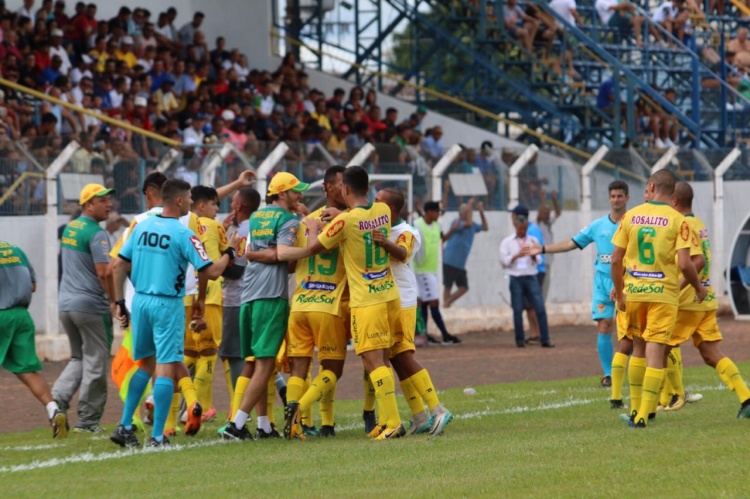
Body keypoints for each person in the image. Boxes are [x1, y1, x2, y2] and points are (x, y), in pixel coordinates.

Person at [110, 179, 234, 448]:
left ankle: (124, 425)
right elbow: (211, 271)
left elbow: (118, 265)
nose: (191, 202)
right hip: (167, 304)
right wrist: (231, 253)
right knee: (166, 368)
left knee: (145, 365)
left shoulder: (141, 227)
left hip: (141, 302)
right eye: (189, 198)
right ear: (178, 201)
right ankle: (157, 437)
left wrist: (119, 302)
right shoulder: (183, 234)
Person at [304, 166, 406, 439]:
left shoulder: (343, 222)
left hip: (366, 301)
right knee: (382, 359)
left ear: (346, 190)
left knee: (374, 363)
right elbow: (362, 216)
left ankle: (394, 422)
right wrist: (345, 214)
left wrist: (313, 227)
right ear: (368, 188)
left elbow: (314, 248)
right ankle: (384, 420)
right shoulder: (383, 211)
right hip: (389, 294)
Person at [610, 170, 706, 428]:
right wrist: (698, 288)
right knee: (656, 352)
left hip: (635, 294)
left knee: (637, 350)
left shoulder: (630, 216)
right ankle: (644, 414)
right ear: (672, 194)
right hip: (662, 295)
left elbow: (616, 259)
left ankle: (635, 410)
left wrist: (619, 292)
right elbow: (686, 264)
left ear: (651, 186)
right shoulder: (678, 220)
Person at [221, 172, 311, 441]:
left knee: (260, 362)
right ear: (282, 193)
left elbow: (252, 253)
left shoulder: (257, 217)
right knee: (265, 363)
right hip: (270, 296)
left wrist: (259, 254)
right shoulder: (287, 220)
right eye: (296, 191)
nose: (300, 196)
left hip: (247, 295)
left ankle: (263, 425)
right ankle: (236, 425)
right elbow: (283, 253)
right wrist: (314, 249)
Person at [661, 182, 750, 418]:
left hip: (688, 300)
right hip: (705, 300)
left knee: (658, 346)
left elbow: (695, 263)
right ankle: (746, 397)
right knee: (710, 354)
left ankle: (668, 399)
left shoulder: (683, 225)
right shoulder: (698, 223)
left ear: (674, 202)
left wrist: (676, 289)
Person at [530, 181, 630, 389]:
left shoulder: (634, 223)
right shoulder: (598, 226)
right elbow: (572, 243)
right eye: (612, 196)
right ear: (608, 198)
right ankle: (609, 374)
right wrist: (543, 249)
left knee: (629, 330)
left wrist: (625, 278)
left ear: (627, 198)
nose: (616, 200)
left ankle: (636, 369)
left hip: (628, 281)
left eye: (620, 196)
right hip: (603, 282)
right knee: (604, 325)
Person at [373, 187, 454, 436]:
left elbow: (402, 254)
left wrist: (385, 242)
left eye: (379, 201)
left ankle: (438, 409)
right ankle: (420, 416)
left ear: (392, 209)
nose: (373, 204)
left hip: (403, 300)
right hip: (384, 299)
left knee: (404, 355)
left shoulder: (407, 232)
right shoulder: (375, 226)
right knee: (396, 360)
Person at [283, 166, 349, 440]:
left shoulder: (305, 222)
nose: (348, 191)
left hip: (300, 304)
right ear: (328, 188)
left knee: (300, 368)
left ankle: (311, 424)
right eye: (343, 185)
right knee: (332, 369)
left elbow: (289, 265)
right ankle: (301, 411)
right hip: (329, 305)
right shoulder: (350, 222)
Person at [52, 183, 116, 433]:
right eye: (102, 200)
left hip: (66, 305)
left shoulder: (71, 227)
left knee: (79, 357)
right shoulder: (97, 233)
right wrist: (114, 301)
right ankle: (88, 422)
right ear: (88, 204)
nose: (109, 204)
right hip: (90, 306)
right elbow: (103, 273)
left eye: (109, 199)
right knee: (96, 362)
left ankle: (56, 401)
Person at [1, 240, 68, 439]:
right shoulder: (16, 250)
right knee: (27, 371)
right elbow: (33, 286)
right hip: (22, 317)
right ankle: (53, 409)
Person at [187, 185, 229, 422]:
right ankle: (201, 408)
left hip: (185, 294)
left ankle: (155, 397)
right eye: (215, 204)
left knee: (188, 352)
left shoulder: (183, 224)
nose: (217, 209)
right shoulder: (214, 225)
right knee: (209, 352)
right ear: (202, 206)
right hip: (210, 294)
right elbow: (226, 254)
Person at [220, 186, 261, 419]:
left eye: (233, 202)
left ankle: (239, 409)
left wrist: (216, 262)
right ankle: (282, 390)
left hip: (237, 299)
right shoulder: (255, 227)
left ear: (238, 206)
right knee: (257, 355)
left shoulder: (240, 233)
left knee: (235, 354)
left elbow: (235, 270)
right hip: (254, 296)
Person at [499, 206, 554, 348]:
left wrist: (534, 255)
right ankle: (519, 340)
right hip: (516, 277)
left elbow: (540, 260)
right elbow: (503, 262)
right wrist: (516, 255)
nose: (522, 231)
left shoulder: (533, 240)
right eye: (520, 229)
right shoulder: (508, 242)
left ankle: (545, 338)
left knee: (539, 307)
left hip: (531, 276)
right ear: (516, 227)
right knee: (518, 310)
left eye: (524, 229)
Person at [414, 201, 460, 344]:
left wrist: (452, 230)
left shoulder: (436, 225)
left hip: (432, 270)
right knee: (434, 301)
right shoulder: (417, 225)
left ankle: (424, 334)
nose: (438, 215)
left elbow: (441, 239)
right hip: (422, 271)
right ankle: (445, 334)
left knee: (425, 303)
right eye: (436, 212)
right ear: (428, 212)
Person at [441, 198, 488, 309]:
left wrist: (481, 212)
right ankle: (446, 305)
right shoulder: (458, 222)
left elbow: (485, 227)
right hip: (450, 260)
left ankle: (446, 303)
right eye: (467, 212)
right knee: (448, 286)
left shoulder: (472, 225)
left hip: (460, 263)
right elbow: (468, 223)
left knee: (464, 287)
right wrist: (470, 205)